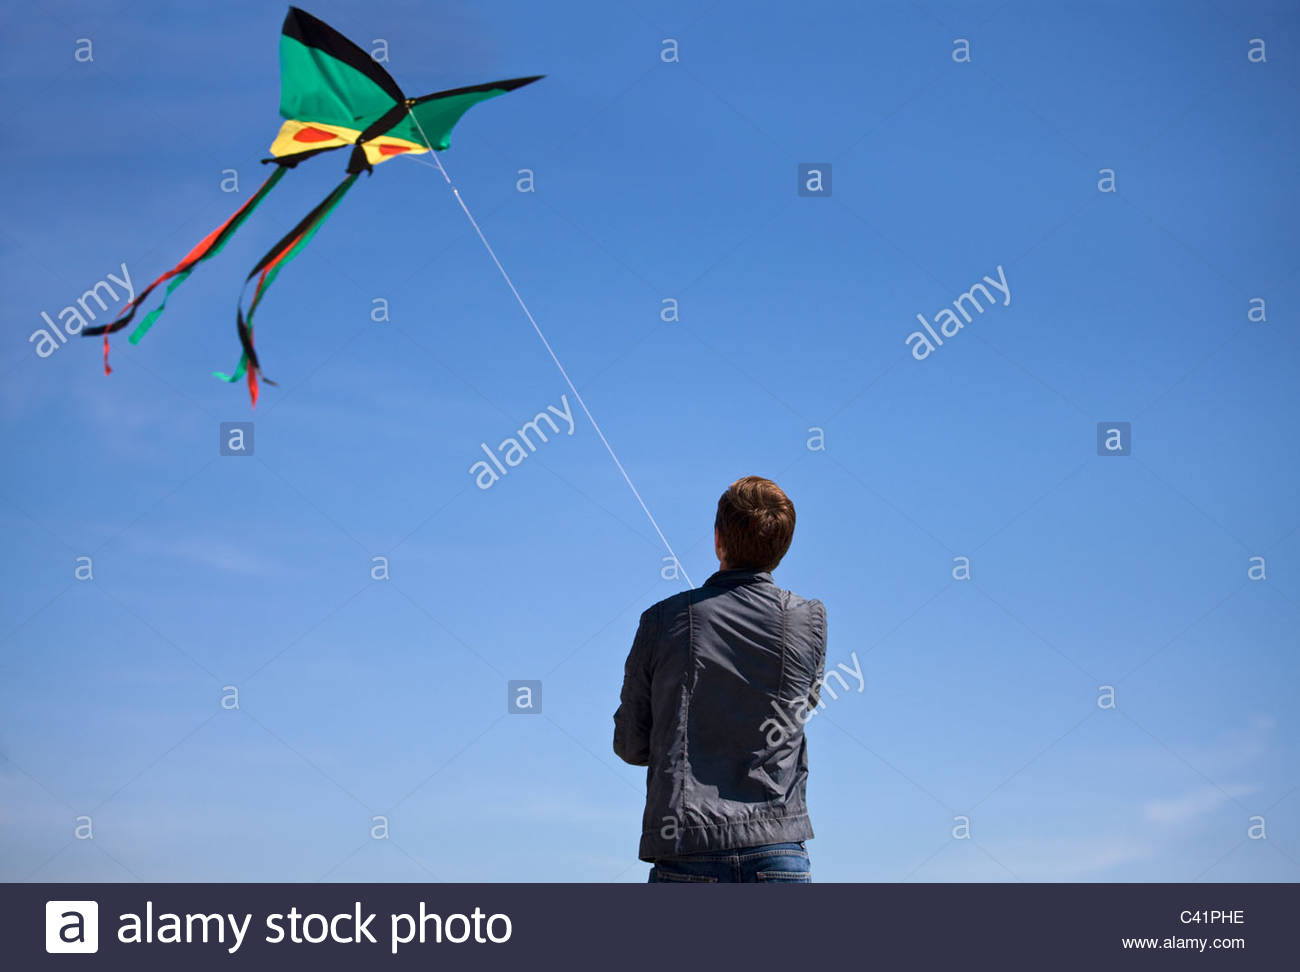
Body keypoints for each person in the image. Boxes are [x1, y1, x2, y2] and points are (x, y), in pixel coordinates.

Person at [613, 476, 827, 882]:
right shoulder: (807, 620)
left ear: (717, 540)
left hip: (688, 851)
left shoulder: (661, 621)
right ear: (782, 548)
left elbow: (630, 743)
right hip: (778, 850)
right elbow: (802, 708)